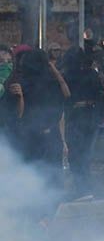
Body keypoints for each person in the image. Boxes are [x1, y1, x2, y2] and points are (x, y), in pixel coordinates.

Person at [5, 47, 69, 225]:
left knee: (43, 180)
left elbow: (65, 97)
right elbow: (18, 114)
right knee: (41, 180)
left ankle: (41, 220)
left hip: (40, 140)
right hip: (37, 139)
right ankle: (39, 220)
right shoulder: (20, 84)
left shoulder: (41, 83)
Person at [61, 48, 104, 201]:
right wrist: (100, 116)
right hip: (90, 116)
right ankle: (84, 189)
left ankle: (83, 189)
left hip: (78, 117)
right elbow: (102, 96)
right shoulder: (90, 73)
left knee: (77, 154)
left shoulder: (67, 75)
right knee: (84, 154)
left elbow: (65, 98)